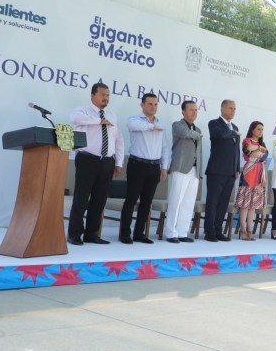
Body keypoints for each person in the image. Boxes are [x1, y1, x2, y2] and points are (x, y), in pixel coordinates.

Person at [68, 82, 124, 245]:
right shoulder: (83, 111)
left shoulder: (112, 115)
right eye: (102, 95)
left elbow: (118, 140)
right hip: (87, 159)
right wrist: (99, 121)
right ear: (93, 96)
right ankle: (74, 234)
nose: (106, 98)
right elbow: (73, 118)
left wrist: (118, 163)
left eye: (108, 95)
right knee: (81, 198)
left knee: (99, 200)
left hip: (107, 162)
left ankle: (92, 234)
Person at [120, 93, 169, 244]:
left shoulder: (160, 124)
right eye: (150, 104)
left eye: (155, 104)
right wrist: (151, 127)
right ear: (142, 105)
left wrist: (164, 167)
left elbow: (164, 147)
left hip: (154, 167)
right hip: (137, 165)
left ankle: (139, 234)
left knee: (147, 202)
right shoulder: (134, 120)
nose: (153, 107)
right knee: (131, 199)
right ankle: (125, 234)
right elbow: (134, 126)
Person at [164, 100, 203, 243]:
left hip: (194, 169)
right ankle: (171, 233)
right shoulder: (177, 125)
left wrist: (199, 171)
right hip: (180, 168)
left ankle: (182, 232)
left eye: (196, 110)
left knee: (188, 202)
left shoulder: (198, 129)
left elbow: (199, 152)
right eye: (191, 110)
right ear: (183, 112)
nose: (194, 112)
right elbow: (186, 133)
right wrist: (197, 135)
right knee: (176, 200)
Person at [203, 99, 240, 242]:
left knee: (223, 203)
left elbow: (236, 150)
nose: (233, 111)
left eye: (234, 109)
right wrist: (234, 133)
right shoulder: (214, 123)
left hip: (231, 172)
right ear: (222, 109)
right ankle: (209, 232)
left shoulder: (234, 127)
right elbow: (221, 134)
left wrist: (237, 168)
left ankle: (218, 230)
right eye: (230, 108)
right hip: (217, 171)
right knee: (213, 202)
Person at [235, 121, 267, 241]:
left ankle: (250, 230)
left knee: (253, 206)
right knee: (245, 205)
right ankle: (243, 231)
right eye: (258, 129)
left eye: (262, 129)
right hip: (249, 173)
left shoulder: (262, 143)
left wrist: (258, 151)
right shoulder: (247, 141)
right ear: (252, 130)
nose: (260, 131)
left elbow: (263, 158)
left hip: (259, 173)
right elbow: (248, 149)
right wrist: (259, 149)